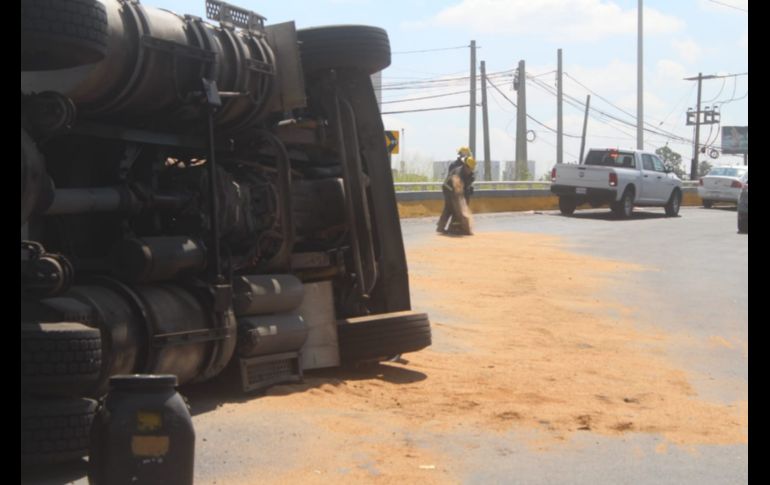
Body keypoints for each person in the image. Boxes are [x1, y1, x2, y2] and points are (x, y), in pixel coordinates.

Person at [437, 147, 476, 235]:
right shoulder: (459, 172)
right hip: (449, 189)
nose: (471, 170)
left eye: (472, 169)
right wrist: (461, 201)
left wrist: (468, 189)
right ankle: (453, 228)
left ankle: (444, 227)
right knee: (454, 207)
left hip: (456, 189)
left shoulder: (467, 171)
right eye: (470, 168)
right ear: (466, 166)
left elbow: (467, 183)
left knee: (451, 207)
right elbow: (457, 188)